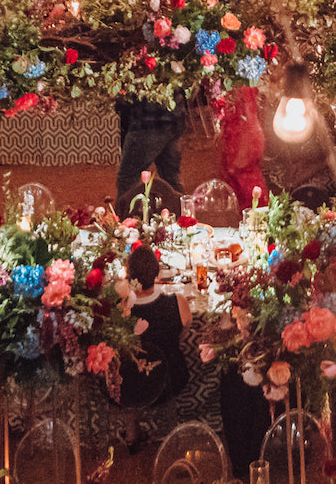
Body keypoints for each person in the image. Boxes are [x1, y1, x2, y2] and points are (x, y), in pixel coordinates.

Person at [116, 243, 191, 445]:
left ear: (129, 274)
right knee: (165, 363)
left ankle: (132, 432)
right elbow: (184, 334)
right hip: (169, 377)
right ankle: (170, 432)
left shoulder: (121, 309)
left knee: (127, 369)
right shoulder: (178, 302)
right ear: (158, 272)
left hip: (130, 383)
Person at [116, 94, 185, 212]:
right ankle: (182, 221)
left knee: (127, 180)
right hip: (173, 118)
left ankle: (125, 223)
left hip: (146, 122)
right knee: (172, 180)